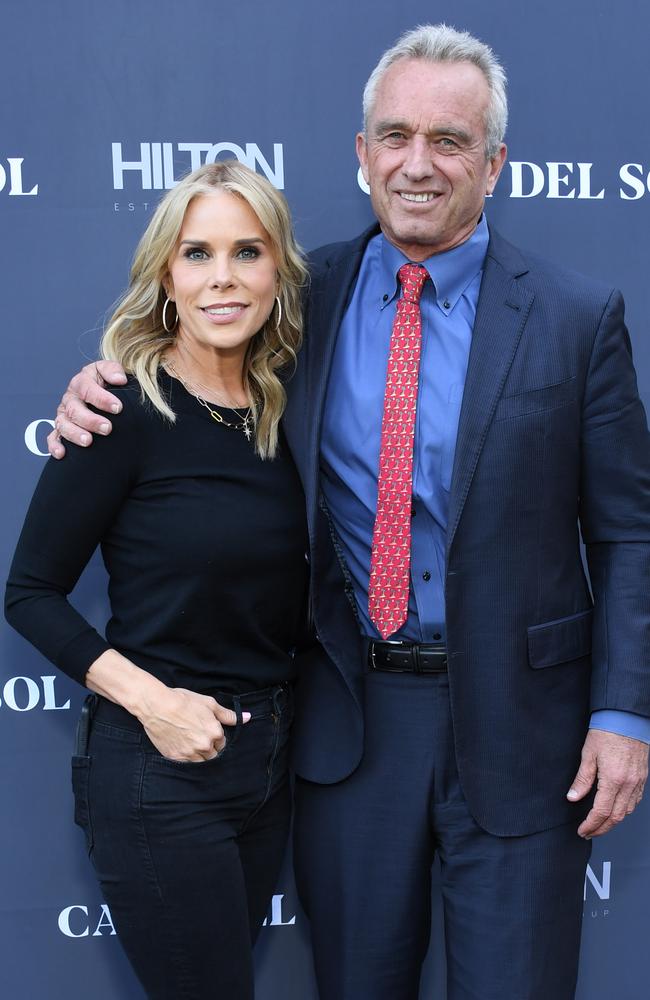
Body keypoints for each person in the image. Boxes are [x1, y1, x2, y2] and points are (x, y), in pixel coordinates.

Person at [44, 23, 650, 1000]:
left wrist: (622, 712)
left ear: (493, 164)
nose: (418, 163)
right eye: (395, 135)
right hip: (347, 722)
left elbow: (626, 531)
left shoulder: (575, 320)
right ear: (360, 154)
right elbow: (186, 354)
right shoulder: (295, 300)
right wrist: (98, 388)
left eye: (448, 141)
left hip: (521, 729)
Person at [5, 159, 310, 1000]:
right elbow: (28, 592)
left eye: (246, 252)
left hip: (269, 765)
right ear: (166, 277)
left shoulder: (289, 408)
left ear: (277, 270)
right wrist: (157, 704)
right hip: (159, 774)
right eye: (197, 254)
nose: (223, 278)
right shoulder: (120, 411)